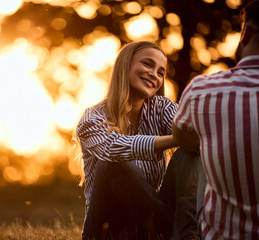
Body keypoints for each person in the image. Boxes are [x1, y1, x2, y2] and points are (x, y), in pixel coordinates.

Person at [75, 41, 205, 239]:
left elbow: (194, 131)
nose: (154, 74)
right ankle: (171, 228)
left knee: (188, 154)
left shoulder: (161, 108)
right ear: (125, 65)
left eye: (161, 72)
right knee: (112, 164)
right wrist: (177, 138)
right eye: (147, 64)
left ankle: (187, 235)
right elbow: (114, 148)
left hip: (148, 227)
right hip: (108, 229)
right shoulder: (92, 119)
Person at [172, 0, 259, 239]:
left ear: (247, 32)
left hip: (223, 234)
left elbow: (183, 138)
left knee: (190, 151)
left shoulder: (202, 89)